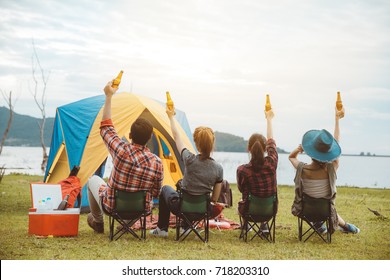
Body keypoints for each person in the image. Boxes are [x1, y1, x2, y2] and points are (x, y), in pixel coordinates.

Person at [86, 80, 164, 233]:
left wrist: (108, 96)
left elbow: (106, 127)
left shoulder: (120, 150)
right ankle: (126, 225)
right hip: (140, 210)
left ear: (129, 135)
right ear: (149, 139)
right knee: (139, 196)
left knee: (92, 181)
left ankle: (98, 222)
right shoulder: (157, 162)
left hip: (112, 207)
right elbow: (156, 193)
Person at [150, 102, 224, 237]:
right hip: (203, 210)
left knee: (166, 189)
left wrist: (171, 117)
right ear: (212, 144)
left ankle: (162, 229)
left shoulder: (189, 159)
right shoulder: (218, 169)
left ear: (196, 143)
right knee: (190, 194)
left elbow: (177, 137)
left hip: (182, 208)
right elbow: (214, 198)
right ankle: (186, 226)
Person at [289, 106, 360, 234]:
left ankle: (323, 225)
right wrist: (337, 119)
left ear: (310, 152)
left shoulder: (302, 168)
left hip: (305, 210)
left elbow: (291, 157)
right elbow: (336, 142)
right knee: (324, 204)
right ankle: (346, 226)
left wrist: (299, 149)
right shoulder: (331, 169)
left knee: (313, 203)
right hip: (326, 211)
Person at [237, 109, 278, 232]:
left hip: (249, 212)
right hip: (270, 211)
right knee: (261, 195)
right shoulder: (271, 162)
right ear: (265, 148)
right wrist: (269, 119)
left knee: (244, 197)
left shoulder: (242, 170)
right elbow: (271, 141)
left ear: (248, 148)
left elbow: (240, 189)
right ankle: (264, 225)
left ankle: (246, 225)